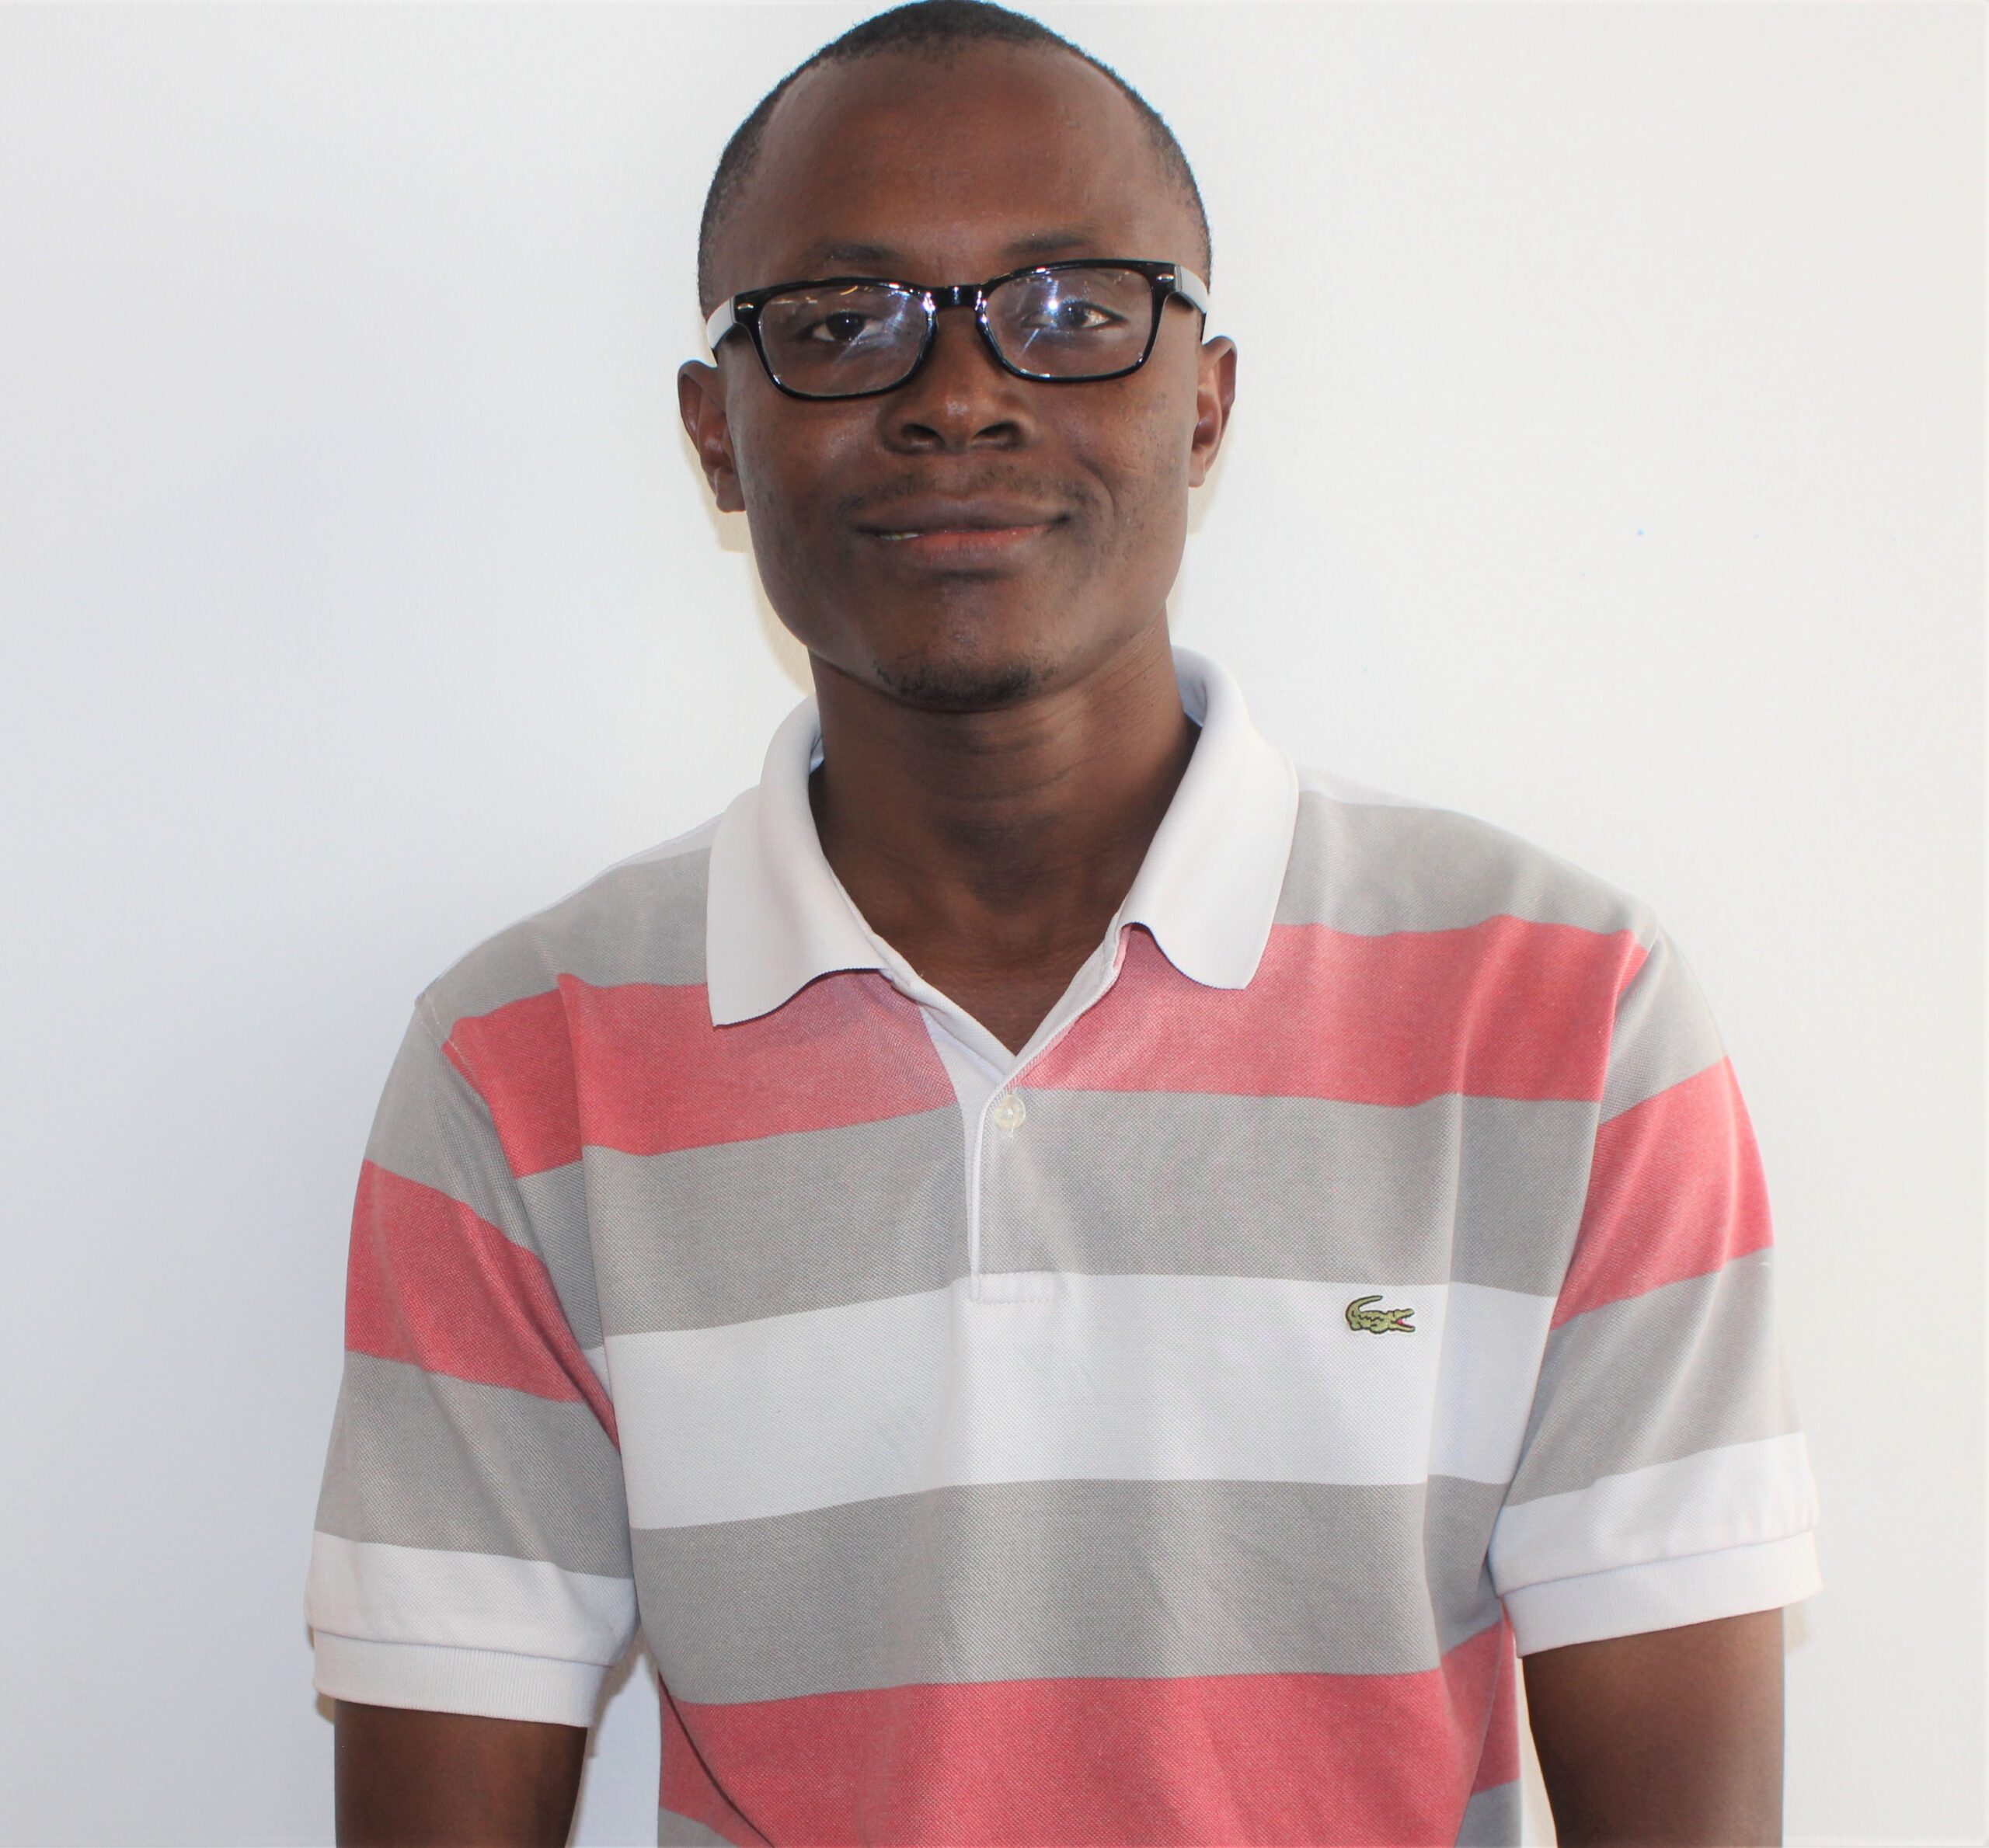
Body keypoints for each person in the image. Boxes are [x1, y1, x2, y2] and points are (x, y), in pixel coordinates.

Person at [306, 2, 1824, 1843]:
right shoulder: (519, 1069)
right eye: (842, 321)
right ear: (717, 433)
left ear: (1205, 397)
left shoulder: (1562, 1017)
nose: (958, 394)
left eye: (1069, 306)